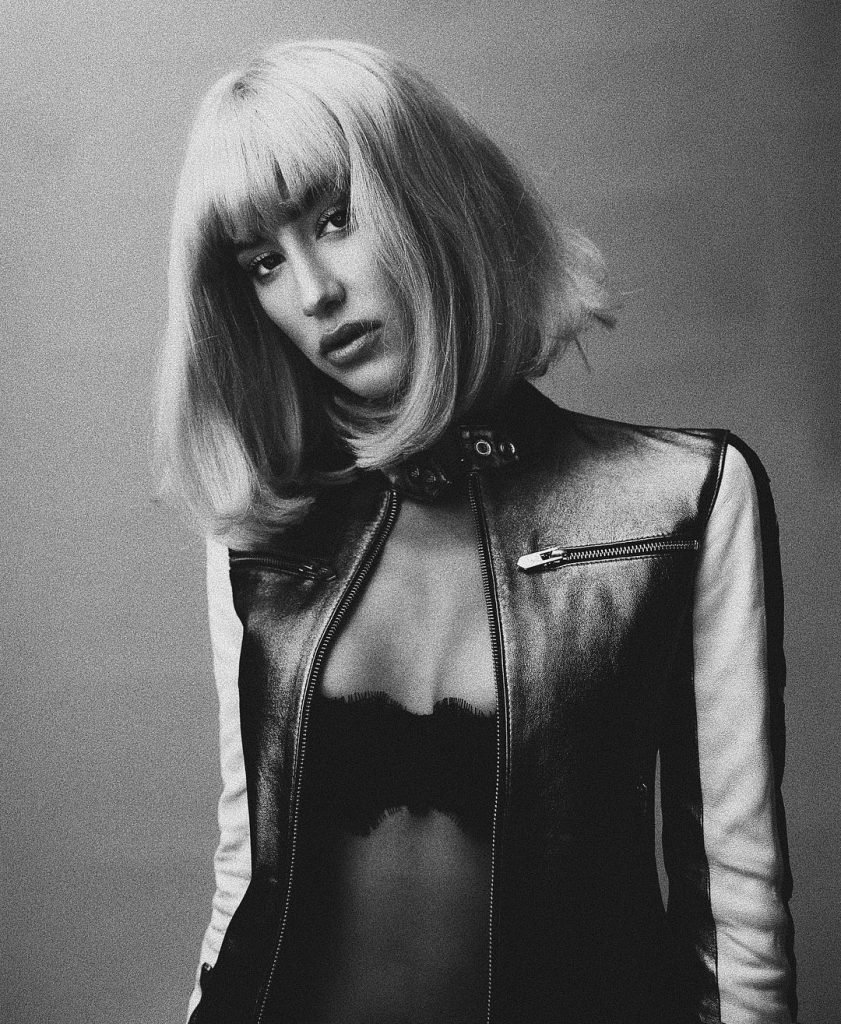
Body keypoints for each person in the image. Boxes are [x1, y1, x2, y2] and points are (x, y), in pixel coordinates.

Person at [157, 39, 797, 1024]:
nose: (313, 291)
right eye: (264, 262)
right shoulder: (260, 529)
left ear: (433, 197)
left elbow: (737, 908)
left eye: (335, 218)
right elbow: (248, 870)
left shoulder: (678, 502)